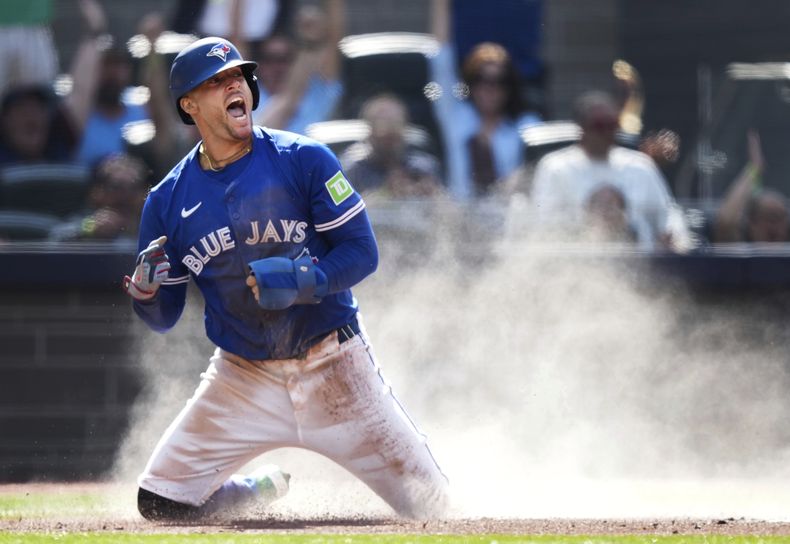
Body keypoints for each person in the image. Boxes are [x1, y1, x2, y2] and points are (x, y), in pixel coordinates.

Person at [122, 37, 448, 521]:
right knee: (160, 502)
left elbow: (363, 252)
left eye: (238, 76)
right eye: (217, 81)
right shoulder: (166, 201)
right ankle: (250, 492)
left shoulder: (304, 158)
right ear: (189, 105)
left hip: (334, 366)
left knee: (434, 508)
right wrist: (147, 296)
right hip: (242, 376)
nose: (235, 84)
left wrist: (306, 280)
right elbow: (164, 316)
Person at [531, 90, 691, 252]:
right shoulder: (556, 167)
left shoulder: (640, 166)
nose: (607, 132)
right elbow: (545, 223)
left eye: (612, 124)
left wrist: (674, 241)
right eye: (600, 125)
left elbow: (669, 217)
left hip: (643, 261)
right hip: (579, 261)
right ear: (582, 128)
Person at [429, 0, 541, 199]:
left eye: (499, 81)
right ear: (471, 83)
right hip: (459, 220)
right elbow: (441, 61)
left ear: (510, 86)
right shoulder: (455, 117)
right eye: (481, 80)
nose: (490, 89)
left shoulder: (527, 126)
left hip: (507, 219)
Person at [252, 0, 344, 134]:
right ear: (258, 63)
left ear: (294, 61)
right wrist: (310, 44)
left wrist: (314, 37)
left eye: (284, 59)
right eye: (269, 59)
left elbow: (334, 41)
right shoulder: (248, 97)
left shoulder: (318, 90)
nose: (277, 67)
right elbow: (287, 102)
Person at [340, 94, 443, 200]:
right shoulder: (353, 169)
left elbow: (448, 208)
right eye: (380, 126)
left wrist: (430, 194)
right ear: (369, 132)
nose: (387, 132)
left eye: (395, 124)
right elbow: (340, 209)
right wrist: (385, 193)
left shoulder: (422, 167)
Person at [49, 153, 149, 243]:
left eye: (133, 187)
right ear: (96, 191)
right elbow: (56, 237)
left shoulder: (151, 225)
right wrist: (90, 228)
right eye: (116, 187)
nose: (125, 196)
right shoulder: (88, 223)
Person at [714, 130, 789, 243]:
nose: (776, 226)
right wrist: (754, 170)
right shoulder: (739, 250)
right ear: (751, 222)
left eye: (782, 218)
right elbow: (726, 221)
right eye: (771, 217)